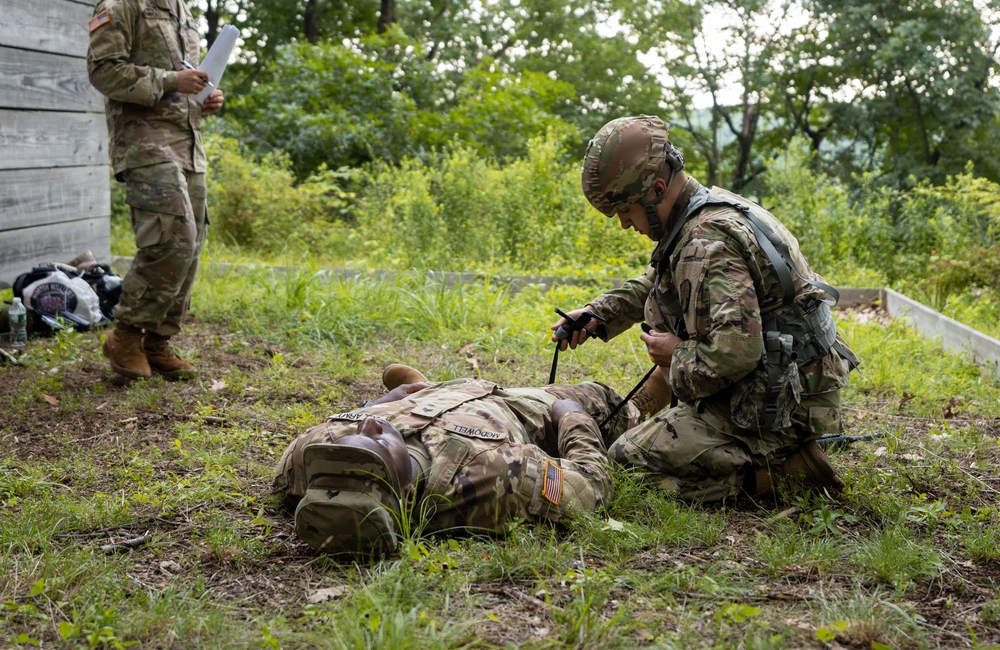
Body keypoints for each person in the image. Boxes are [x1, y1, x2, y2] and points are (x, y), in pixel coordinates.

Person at [552, 114, 860, 503]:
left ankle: (786, 473)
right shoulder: (703, 211)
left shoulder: (705, 240)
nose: (626, 225)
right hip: (785, 384)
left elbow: (736, 352)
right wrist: (600, 313)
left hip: (780, 406)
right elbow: (658, 282)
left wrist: (675, 353)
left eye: (626, 212)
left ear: (657, 188)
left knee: (626, 462)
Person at [272, 362, 672, 556]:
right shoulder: (495, 478)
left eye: (353, 438)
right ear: (403, 487)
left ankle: (424, 383)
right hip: (515, 412)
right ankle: (638, 406)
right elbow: (591, 483)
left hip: (429, 398)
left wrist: (388, 401)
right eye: (378, 444)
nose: (369, 429)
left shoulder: (312, 459)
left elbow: (351, 425)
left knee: (395, 404)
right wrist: (571, 418)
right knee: (594, 396)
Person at [87, 0, 224, 380]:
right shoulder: (122, 1)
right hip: (143, 143)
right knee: (172, 237)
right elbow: (103, 71)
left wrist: (205, 97)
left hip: (187, 142)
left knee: (192, 243)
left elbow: (186, 79)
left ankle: (158, 342)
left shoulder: (184, 11)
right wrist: (171, 81)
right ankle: (125, 335)